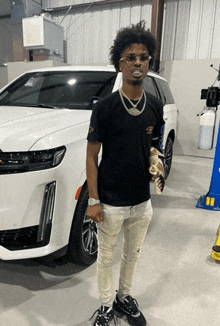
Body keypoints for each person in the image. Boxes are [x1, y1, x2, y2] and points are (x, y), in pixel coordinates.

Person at [86, 21, 165, 326]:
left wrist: (158, 167)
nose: (137, 63)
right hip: (111, 201)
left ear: (149, 62)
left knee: (132, 255)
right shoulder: (105, 108)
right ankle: (106, 307)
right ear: (119, 63)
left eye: (143, 57)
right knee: (106, 258)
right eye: (130, 57)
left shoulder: (155, 106)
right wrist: (94, 200)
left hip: (141, 202)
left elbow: (153, 145)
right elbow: (92, 156)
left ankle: (123, 297)